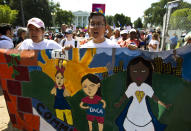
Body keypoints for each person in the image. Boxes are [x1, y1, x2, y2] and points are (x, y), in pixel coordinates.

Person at [115, 57, 171, 131]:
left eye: (143, 71)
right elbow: (125, 96)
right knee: (129, 126)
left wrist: (164, 105)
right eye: (134, 71)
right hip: (132, 112)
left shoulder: (146, 87)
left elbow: (155, 98)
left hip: (143, 111)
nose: (138, 74)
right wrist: (119, 103)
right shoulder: (132, 86)